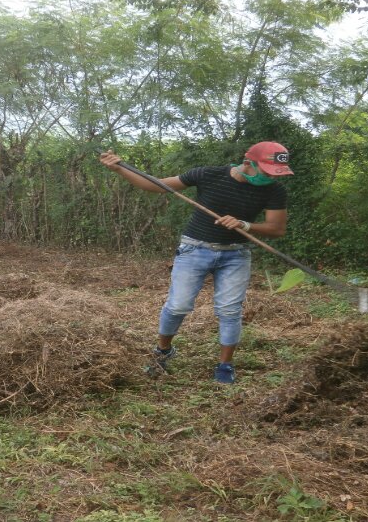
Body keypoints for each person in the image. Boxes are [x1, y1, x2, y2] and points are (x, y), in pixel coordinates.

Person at [98, 142, 291, 384]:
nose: (270, 177)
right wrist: (120, 169)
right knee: (178, 305)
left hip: (236, 254)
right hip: (194, 249)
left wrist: (245, 225)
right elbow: (156, 185)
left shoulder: (274, 190)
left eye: (275, 172)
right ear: (248, 163)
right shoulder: (208, 174)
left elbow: (277, 228)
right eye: (266, 171)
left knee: (230, 311)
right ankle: (163, 351)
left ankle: (225, 366)